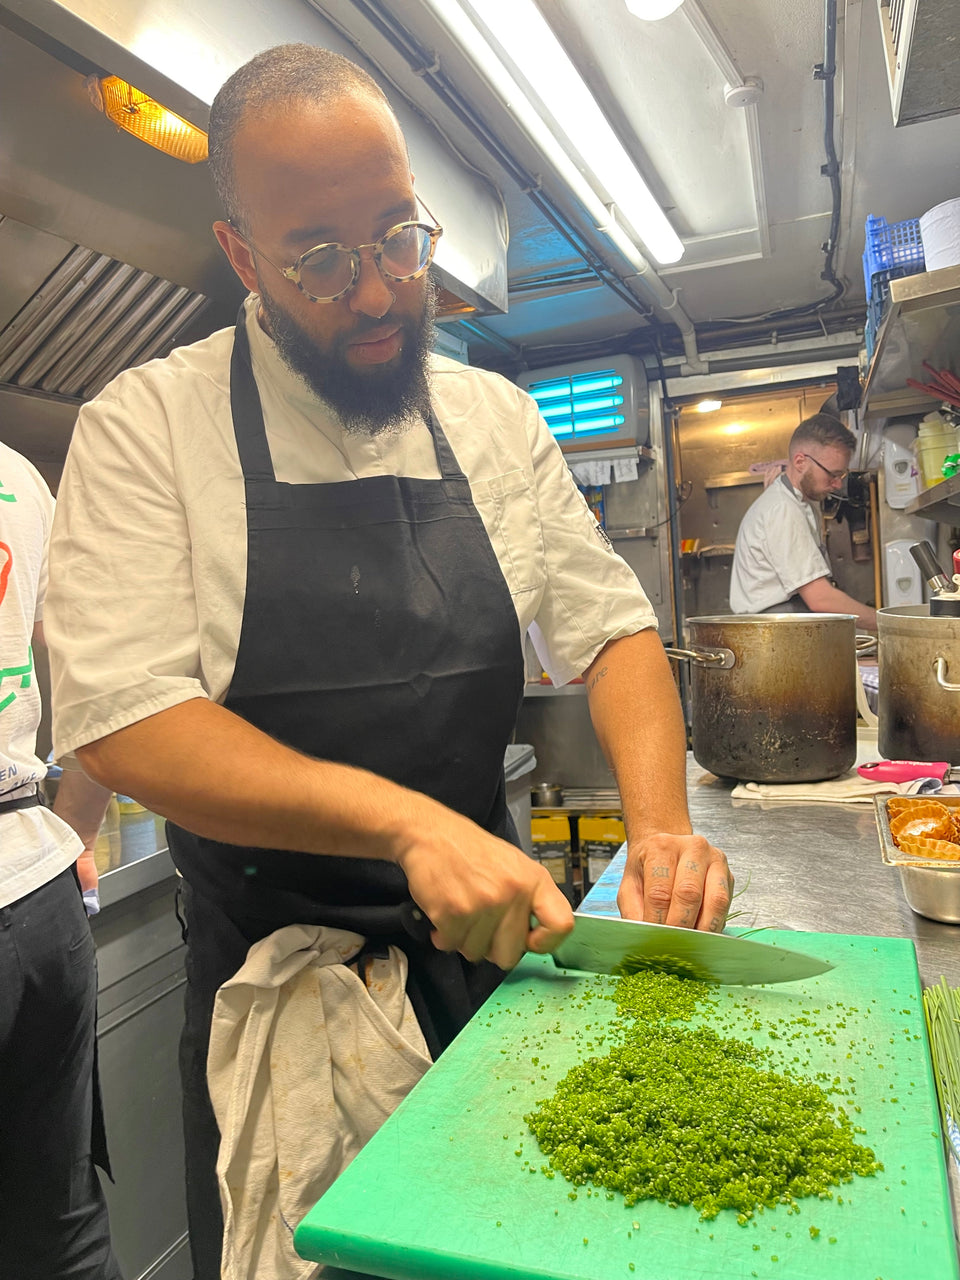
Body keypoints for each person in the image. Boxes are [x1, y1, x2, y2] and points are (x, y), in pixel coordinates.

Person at [45, 44, 732, 1278]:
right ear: (245, 257)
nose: (374, 293)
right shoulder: (147, 425)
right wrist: (407, 823)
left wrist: (663, 821)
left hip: (503, 966)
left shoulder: (492, 417)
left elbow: (614, 626)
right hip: (277, 991)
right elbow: (128, 718)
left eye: (398, 240)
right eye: (320, 259)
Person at [0, 440, 120, 1280]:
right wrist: (70, 827)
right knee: (61, 1236)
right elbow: (103, 667)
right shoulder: (14, 474)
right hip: (37, 896)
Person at [729, 413, 878, 628]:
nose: (837, 484)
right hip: (777, 636)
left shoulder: (798, 503)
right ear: (800, 461)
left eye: (841, 476)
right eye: (832, 474)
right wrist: (890, 623)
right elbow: (820, 598)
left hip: (787, 630)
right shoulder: (783, 509)